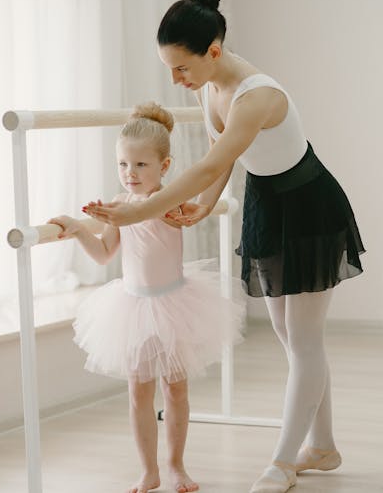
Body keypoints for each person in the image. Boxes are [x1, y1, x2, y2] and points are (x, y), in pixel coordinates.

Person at [83, 0, 365, 492]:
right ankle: (322, 445)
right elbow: (222, 158)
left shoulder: (257, 95)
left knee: (303, 340)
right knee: (291, 334)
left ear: (214, 50)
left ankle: (282, 463)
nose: (176, 80)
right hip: (267, 201)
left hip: (307, 206)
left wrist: (138, 211)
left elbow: (211, 165)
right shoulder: (207, 84)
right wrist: (205, 206)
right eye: (169, 69)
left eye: (181, 67)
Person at [49, 102, 243, 493]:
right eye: (123, 164)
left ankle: (175, 465)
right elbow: (105, 253)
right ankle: (148, 471)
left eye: (140, 165)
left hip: (173, 306)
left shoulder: (171, 201)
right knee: (138, 393)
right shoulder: (118, 205)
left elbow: (168, 211)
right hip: (132, 308)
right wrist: (77, 228)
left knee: (176, 389)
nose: (130, 174)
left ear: (164, 166)